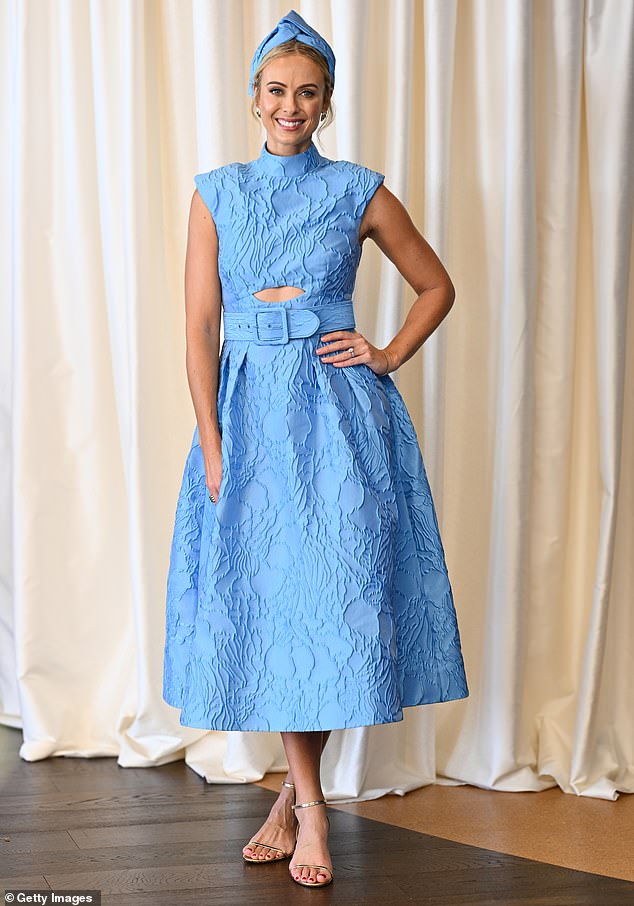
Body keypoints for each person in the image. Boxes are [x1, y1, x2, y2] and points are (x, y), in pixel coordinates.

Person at [162, 8, 469, 890]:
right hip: (250, 418)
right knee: (277, 605)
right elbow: (200, 326)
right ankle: (304, 800)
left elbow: (436, 284)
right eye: (276, 91)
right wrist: (211, 441)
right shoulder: (216, 191)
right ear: (253, 97)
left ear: (326, 103)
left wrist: (387, 353)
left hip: (339, 418)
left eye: (306, 93)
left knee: (334, 604)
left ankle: (304, 805)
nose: (289, 106)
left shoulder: (357, 190)